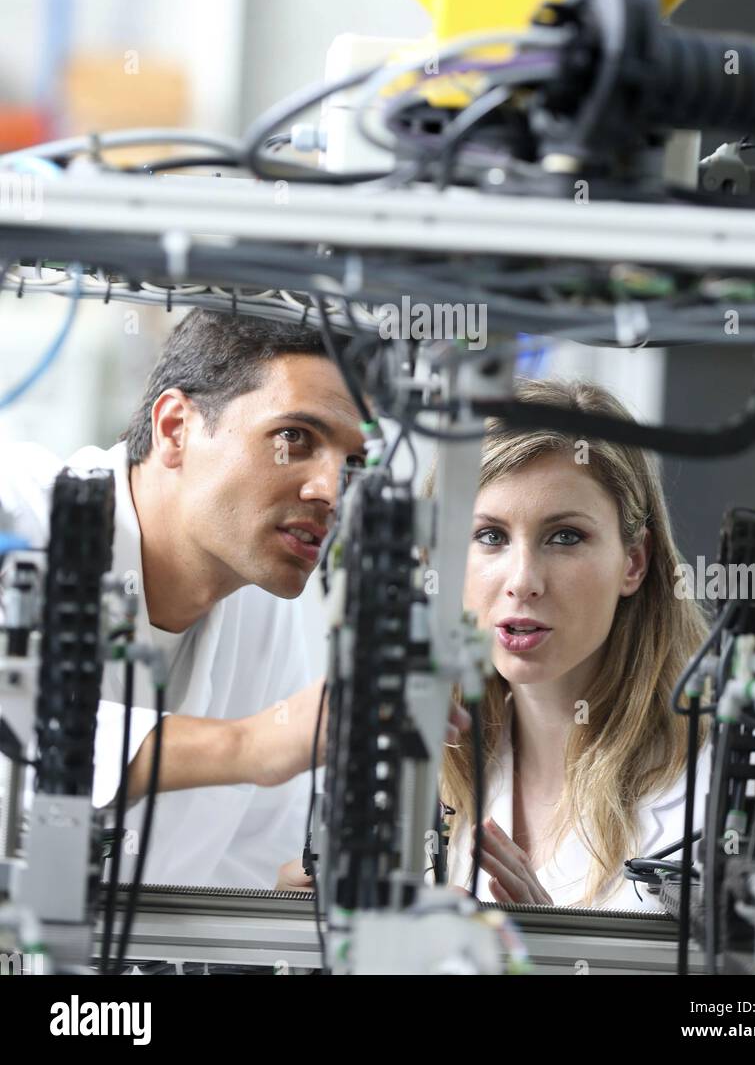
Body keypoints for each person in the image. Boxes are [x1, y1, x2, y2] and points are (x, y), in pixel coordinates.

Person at [1, 309, 470, 889]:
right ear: (176, 429)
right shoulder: (16, 511)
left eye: (352, 464)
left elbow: (250, 877)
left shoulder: (262, 608)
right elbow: (16, 739)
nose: (330, 492)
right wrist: (255, 743)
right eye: (294, 438)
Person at [434, 375, 714, 912]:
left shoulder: (735, 787)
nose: (523, 580)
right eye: (490, 536)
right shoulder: (425, 772)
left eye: (565, 536)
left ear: (634, 561)